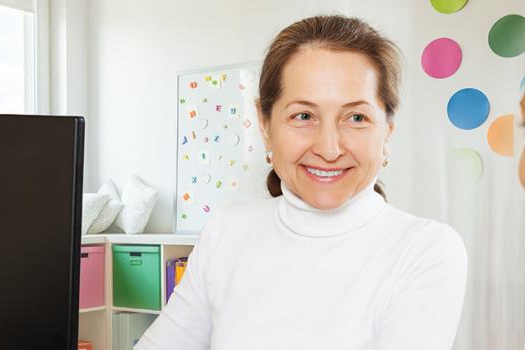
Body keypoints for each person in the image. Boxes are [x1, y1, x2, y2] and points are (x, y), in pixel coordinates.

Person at [134, 15, 468, 350]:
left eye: (356, 117)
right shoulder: (227, 229)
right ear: (265, 125)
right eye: (304, 116)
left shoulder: (426, 249)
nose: (329, 148)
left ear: (387, 132)